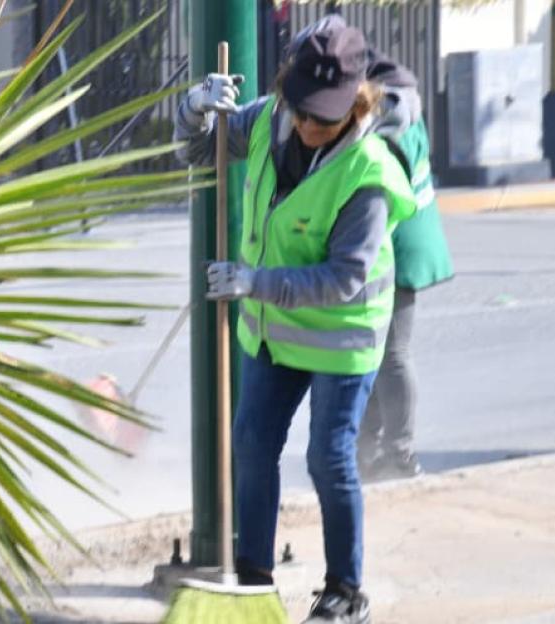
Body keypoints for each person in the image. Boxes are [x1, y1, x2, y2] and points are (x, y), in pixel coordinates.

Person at [174, 21, 416, 624]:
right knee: (252, 443)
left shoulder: (368, 173)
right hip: (271, 331)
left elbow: (343, 279)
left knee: (328, 458)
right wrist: (195, 110)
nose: (310, 127)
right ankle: (252, 580)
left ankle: (345, 589)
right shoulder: (265, 119)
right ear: (287, 91)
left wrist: (253, 282)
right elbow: (197, 153)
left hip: (342, 332)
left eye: (326, 118)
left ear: (356, 103)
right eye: (304, 111)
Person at [289, 16, 455, 482]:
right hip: (391, 233)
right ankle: (368, 452)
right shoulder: (385, 94)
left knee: (392, 351)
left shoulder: (389, 106)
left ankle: (400, 456)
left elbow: (357, 178)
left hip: (399, 238)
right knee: (374, 350)